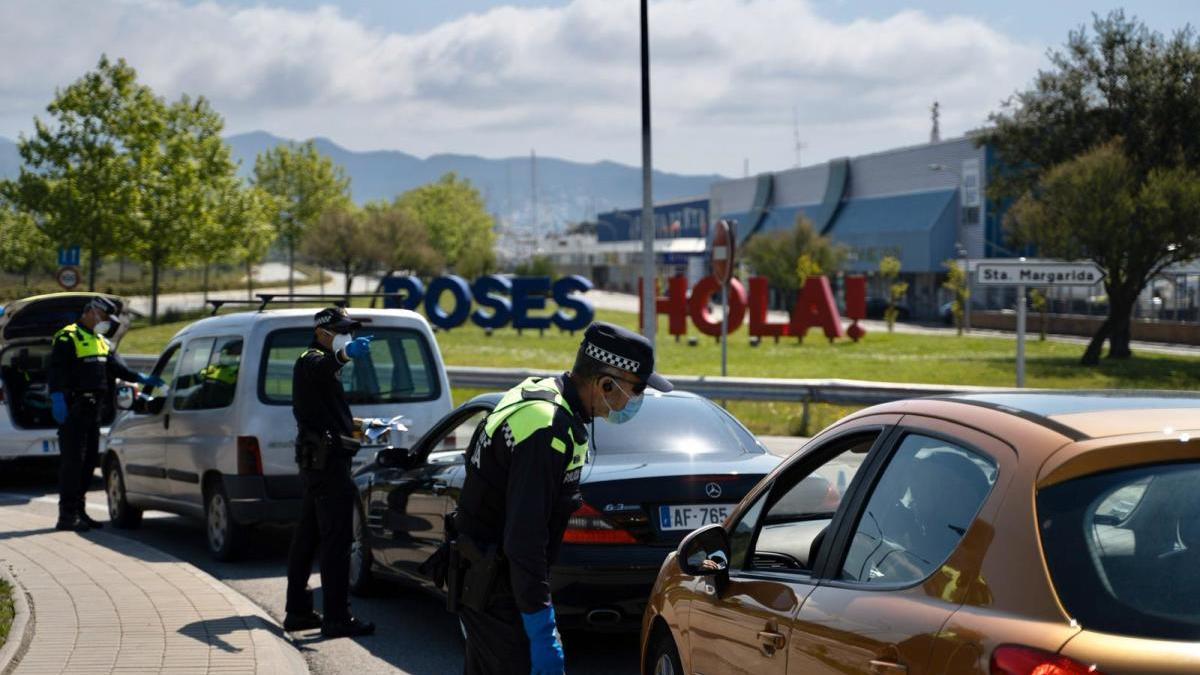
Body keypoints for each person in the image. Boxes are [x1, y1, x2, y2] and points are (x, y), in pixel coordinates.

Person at [451, 321, 672, 675]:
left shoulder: (549, 398)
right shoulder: (547, 429)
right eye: (637, 389)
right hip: (496, 589)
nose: (638, 400)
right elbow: (524, 539)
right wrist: (541, 628)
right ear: (605, 384)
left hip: (490, 577)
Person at [283, 307, 378, 638]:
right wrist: (344, 354)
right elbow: (323, 366)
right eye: (342, 330)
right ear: (323, 332)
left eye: (349, 331)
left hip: (320, 463)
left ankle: (298, 611)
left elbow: (324, 412)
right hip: (327, 465)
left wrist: (364, 426)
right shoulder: (311, 358)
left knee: (307, 537)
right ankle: (337, 618)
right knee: (336, 540)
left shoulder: (321, 367)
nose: (348, 335)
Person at [47, 296, 164, 532]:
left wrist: (141, 378)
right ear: (90, 311)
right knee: (73, 463)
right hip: (74, 408)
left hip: (93, 410)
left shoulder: (100, 341)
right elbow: (56, 371)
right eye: (102, 317)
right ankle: (66, 516)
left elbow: (116, 368)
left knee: (89, 463)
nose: (105, 322)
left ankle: (79, 511)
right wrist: (57, 398)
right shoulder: (67, 336)